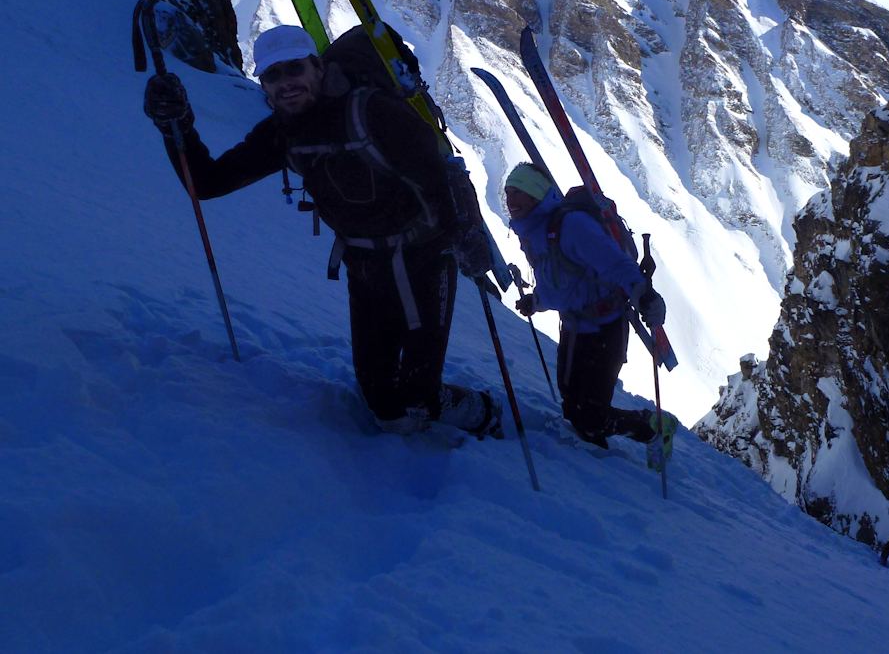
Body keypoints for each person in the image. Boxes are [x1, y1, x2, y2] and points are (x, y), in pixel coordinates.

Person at [142, 24, 501, 437]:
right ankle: (427, 417)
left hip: (423, 261)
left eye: (293, 69)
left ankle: (483, 413)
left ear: (317, 67)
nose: (285, 84)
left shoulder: (374, 113)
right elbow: (206, 184)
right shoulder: (283, 133)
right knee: (384, 405)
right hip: (365, 268)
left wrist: (466, 236)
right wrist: (178, 128)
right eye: (272, 76)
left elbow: (443, 178)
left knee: (419, 396)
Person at [503, 162, 677, 458]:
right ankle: (592, 460)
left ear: (536, 195)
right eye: (509, 192)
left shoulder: (571, 227)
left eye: (520, 192)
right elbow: (559, 282)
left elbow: (616, 265)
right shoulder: (532, 233)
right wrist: (537, 301)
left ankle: (652, 427)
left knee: (590, 416)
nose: (512, 200)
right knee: (572, 404)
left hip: (605, 327)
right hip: (573, 325)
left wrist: (644, 296)